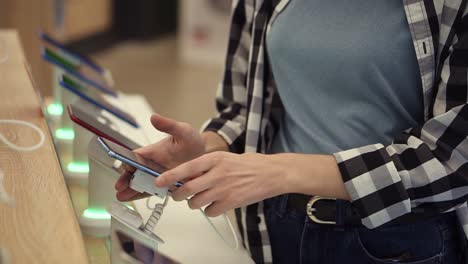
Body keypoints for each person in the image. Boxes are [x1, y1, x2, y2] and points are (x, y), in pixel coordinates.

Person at [116, 1, 468, 263]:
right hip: (275, 224)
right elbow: (251, 105)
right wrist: (207, 147)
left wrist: (280, 171)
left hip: (396, 240)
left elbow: (453, 162)